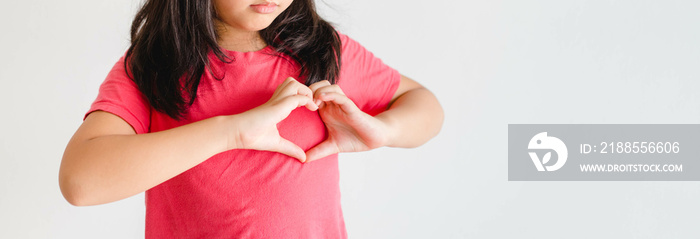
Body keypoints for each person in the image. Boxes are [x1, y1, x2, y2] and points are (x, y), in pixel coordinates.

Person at [59, 0, 443, 237]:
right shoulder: (154, 64)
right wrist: (232, 132)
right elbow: (81, 182)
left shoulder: (323, 51)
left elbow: (424, 104)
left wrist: (383, 131)